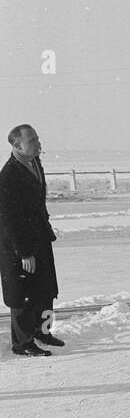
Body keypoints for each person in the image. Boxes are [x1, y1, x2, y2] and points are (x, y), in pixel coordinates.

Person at [0, 124, 64, 355]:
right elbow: (8, 219)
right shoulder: (8, 177)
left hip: (40, 238)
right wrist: (24, 252)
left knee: (46, 290)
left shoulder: (35, 163)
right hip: (20, 245)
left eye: (38, 139)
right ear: (17, 146)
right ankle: (22, 343)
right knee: (23, 295)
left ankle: (43, 331)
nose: (38, 144)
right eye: (32, 141)